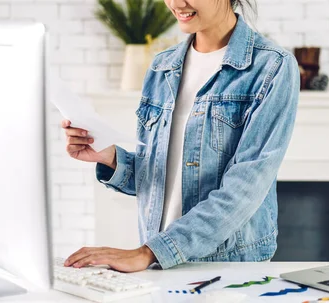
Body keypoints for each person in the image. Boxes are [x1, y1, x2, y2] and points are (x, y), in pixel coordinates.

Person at [61, 0, 299, 272]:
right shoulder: (162, 65)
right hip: (160, 264)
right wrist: (112, 158)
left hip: (227, 268)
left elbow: (246, 186)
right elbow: (165, 176)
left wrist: (150, 252)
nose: (175, 3)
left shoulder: (271, 67)